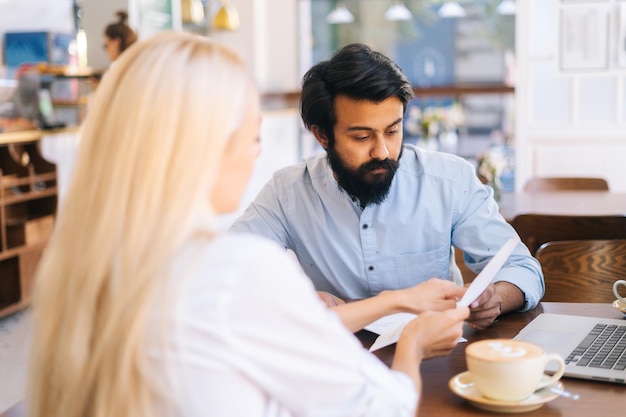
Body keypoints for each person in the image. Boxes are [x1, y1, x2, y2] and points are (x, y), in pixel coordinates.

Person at [27, 32, 469, 417]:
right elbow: (382, 409)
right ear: (207, 147)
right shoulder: (235, 272)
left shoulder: (77, 268)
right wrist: (413, 345)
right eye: (254, 136)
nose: (256, 154)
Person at [231, 43, 544, 330]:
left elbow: (522, 267)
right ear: (322, 136)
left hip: (438, 358)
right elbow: (226, 268)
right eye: (362, 137)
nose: (382, 151)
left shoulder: (449, 181)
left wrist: (497, 298)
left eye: (393, 131)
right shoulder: (288, 193)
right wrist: (299, 296)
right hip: (339, 363)